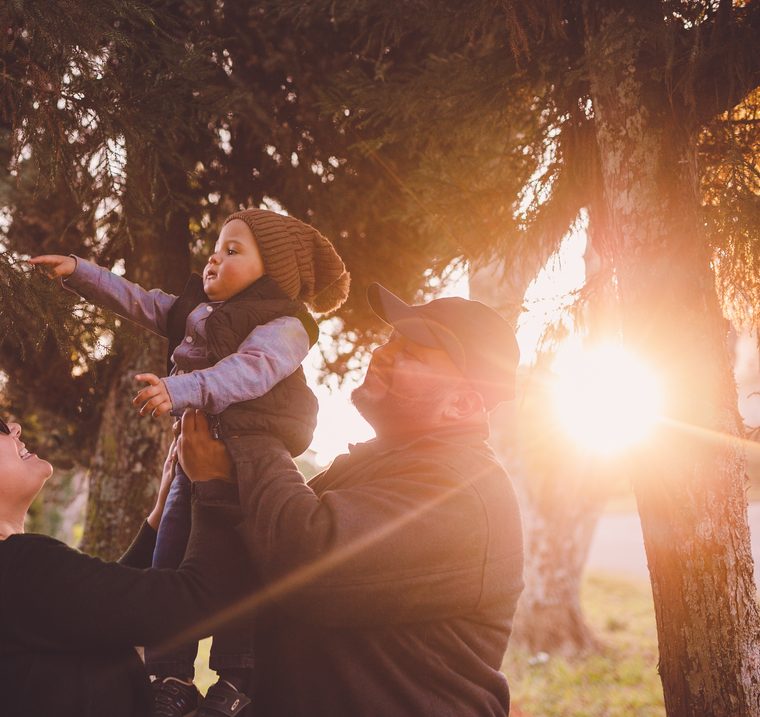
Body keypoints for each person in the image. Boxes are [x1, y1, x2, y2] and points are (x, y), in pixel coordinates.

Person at [30, 209, 349, 716]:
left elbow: (251, 371)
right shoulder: (196, 311)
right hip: (190, 455)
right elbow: (138, 300)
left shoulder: (286, 325)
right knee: (171, 553)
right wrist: (80, 272)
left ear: (275, 272)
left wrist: (182, 389)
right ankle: (170, 674)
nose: (214, 259)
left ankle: (236, 676)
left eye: (233, 250)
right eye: (215, 248)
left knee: (237, 559)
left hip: (247, 458)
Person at [179, 283, 526, 717]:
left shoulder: (463, 493)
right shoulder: (386, 462)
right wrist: (217, 481)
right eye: (391, 339)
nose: (382, 352)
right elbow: (267, 558)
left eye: (412, 352)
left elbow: (310, 566)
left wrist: (256, 426)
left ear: (462, 403)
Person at [0, 389, 252, 717]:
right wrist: (214, 484)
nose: (14, 426)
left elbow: (94, 610)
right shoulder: (17, 570)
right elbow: (197, 602)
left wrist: (159, 519)